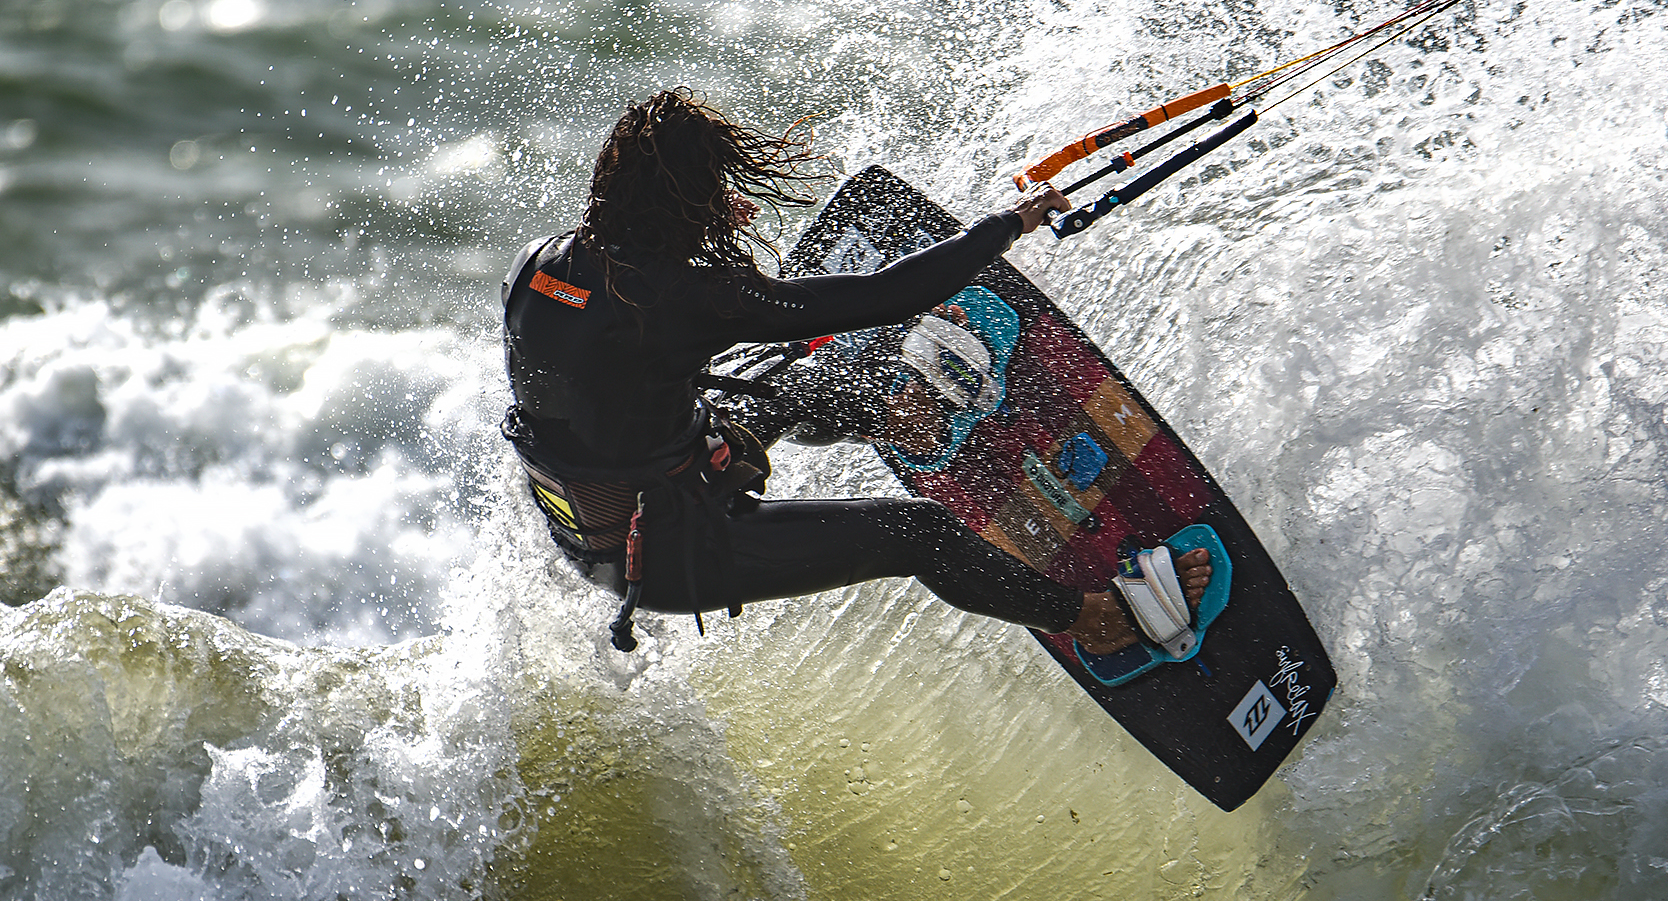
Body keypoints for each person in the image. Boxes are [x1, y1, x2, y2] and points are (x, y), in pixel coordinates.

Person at [501, 88, 1208, 653]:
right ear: (680, 200)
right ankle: (1094, 618)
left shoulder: (537, 263)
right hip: (666, 551)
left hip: (593, 521)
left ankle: (892, 414)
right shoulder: (684, 302)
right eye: (712, 186)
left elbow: (610, 357)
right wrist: (1006, 225)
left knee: (781, 369)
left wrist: (702, 234)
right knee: (918, 535)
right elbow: (883, 298)